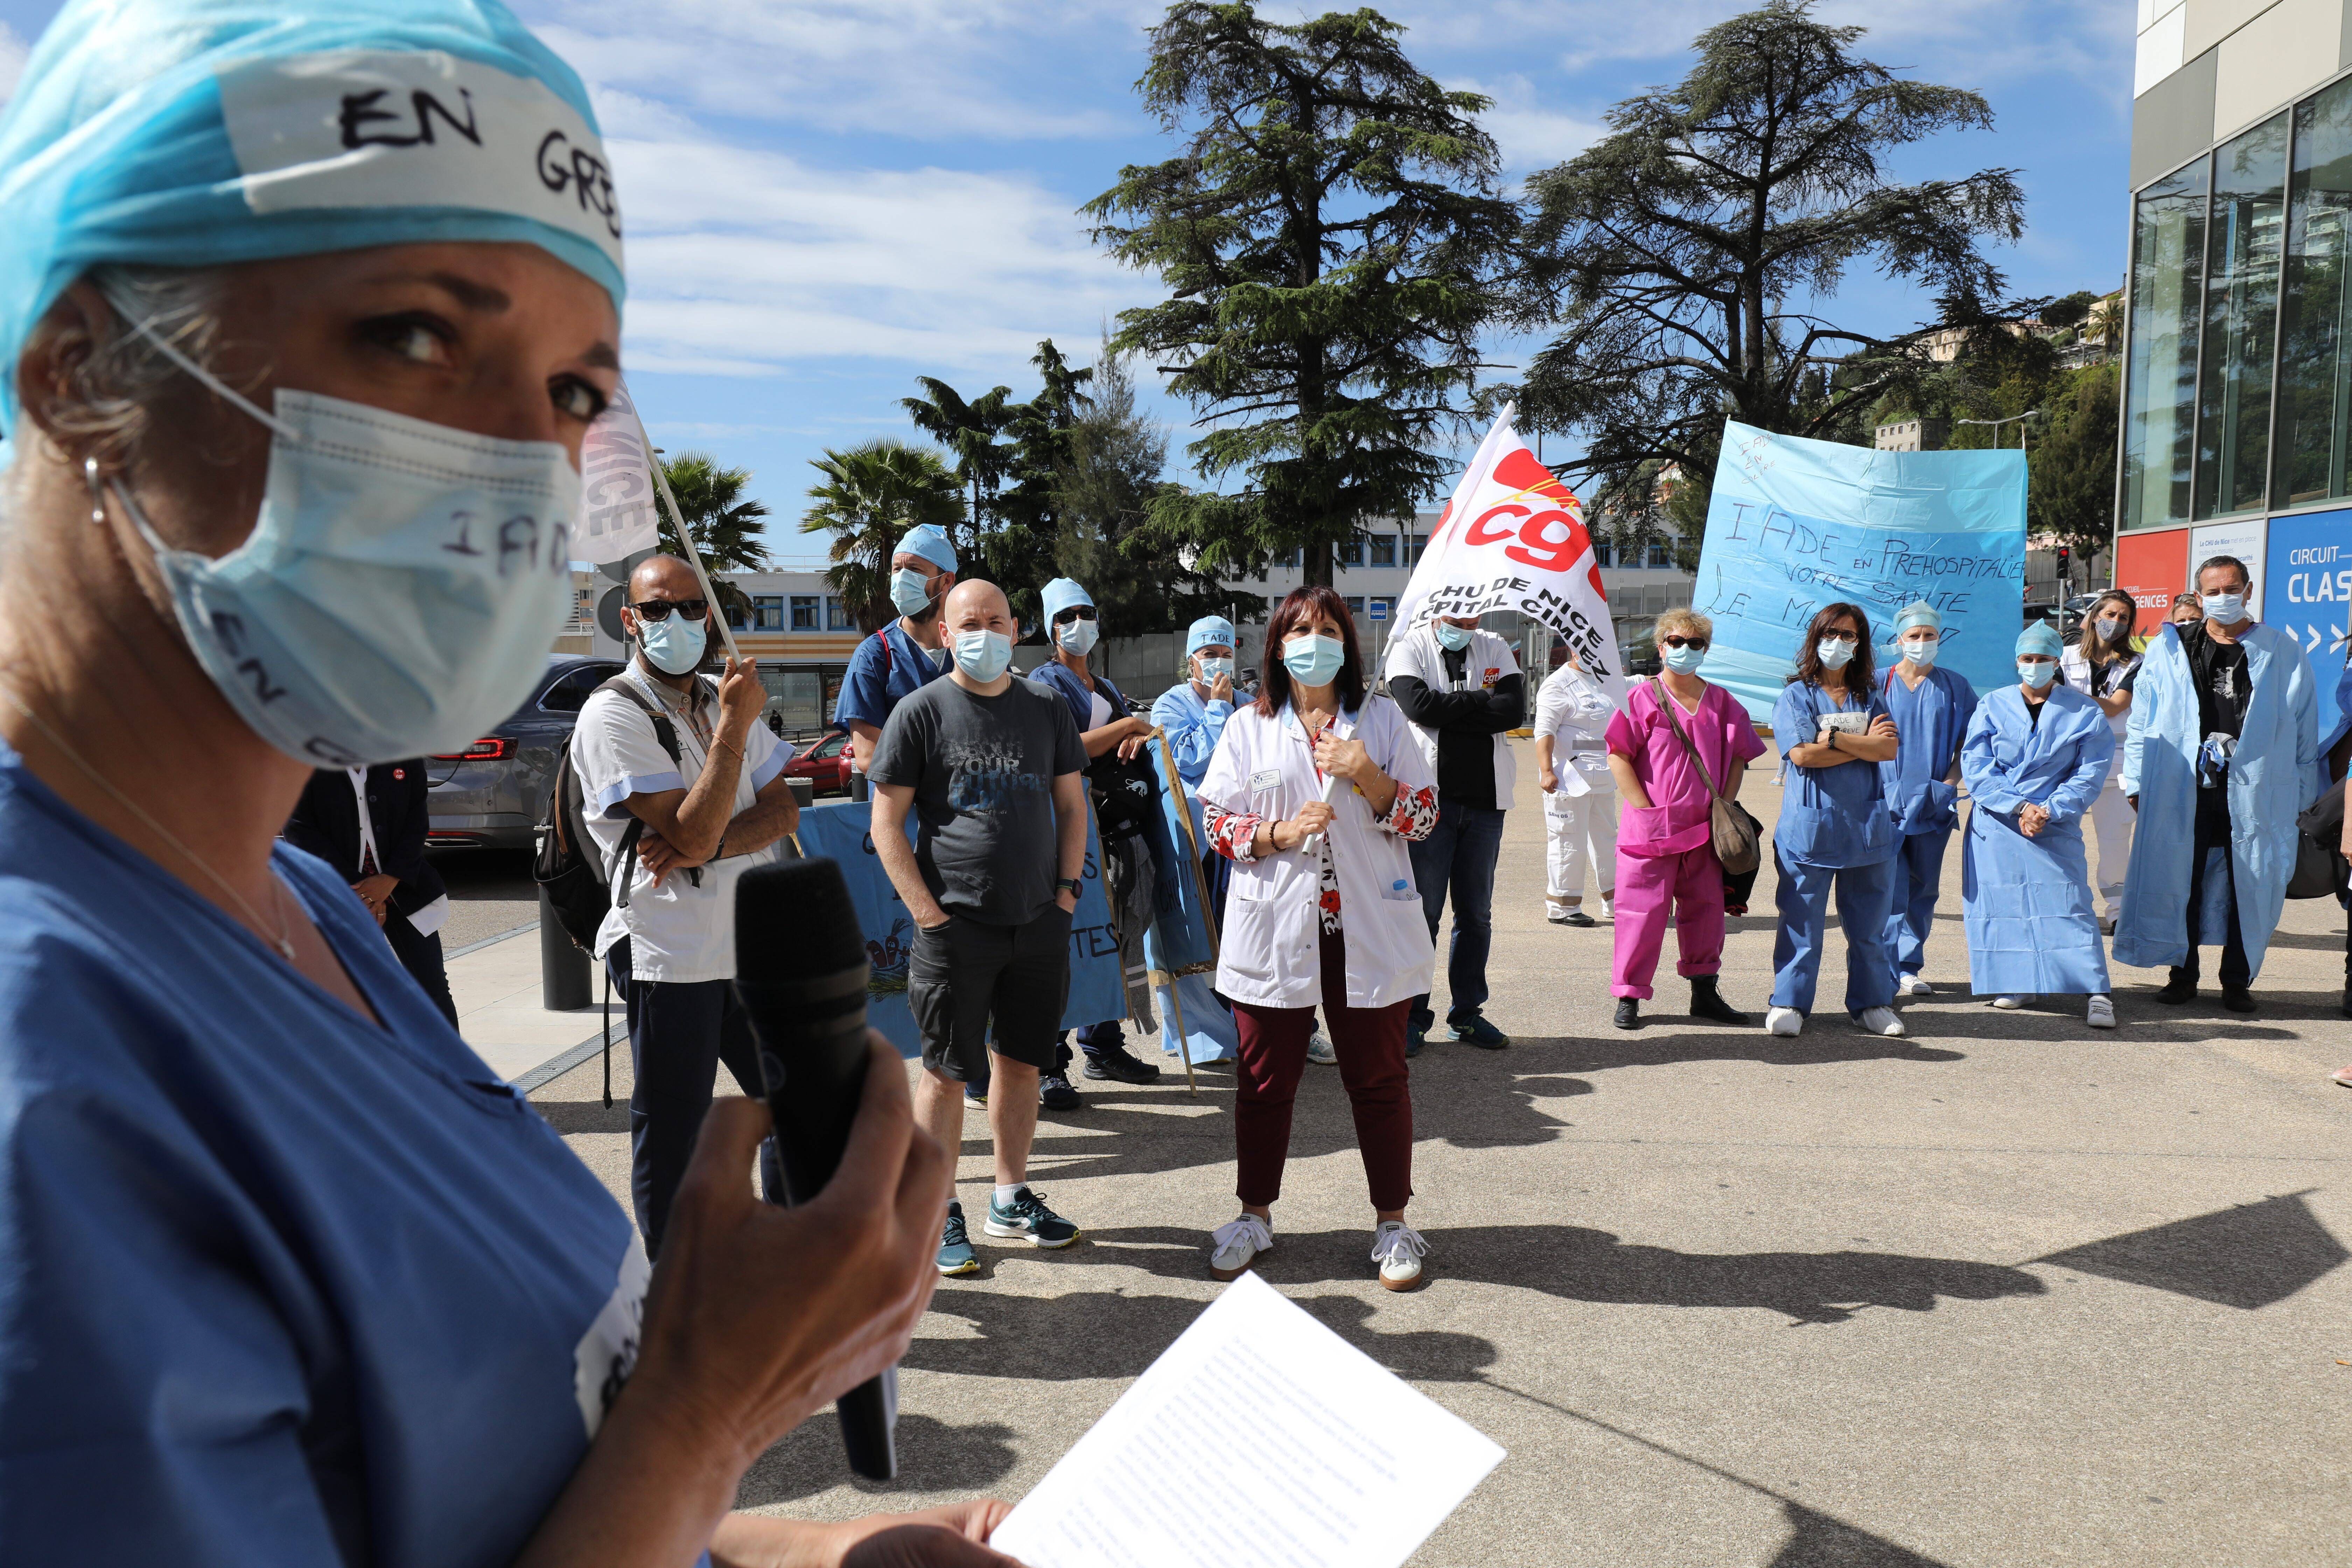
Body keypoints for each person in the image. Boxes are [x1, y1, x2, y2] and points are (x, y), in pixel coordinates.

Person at [0, 3, 1009, 1562]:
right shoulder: (38, 1076)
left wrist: (780, 1548)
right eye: (413, 335)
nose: (517, 461)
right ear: (76, 368)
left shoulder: (304, 910)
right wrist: (704, 1409)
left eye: (571, 392)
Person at [1195, 586, 1439, 1288]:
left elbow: (1423, 817)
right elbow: (1216, 823)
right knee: (1264, 1081)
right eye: (1299, 629)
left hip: (1366, 928)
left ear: (1348, 644)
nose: (1314, 640)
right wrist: (1278, 832)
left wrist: (1365, 773)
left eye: (1328, 628)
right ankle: (1254, 1215)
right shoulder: (1249, 727)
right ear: (1277, 645)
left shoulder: (1383, 719)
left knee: (1380, 1079)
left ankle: (1394, 1223)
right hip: (1276, 927)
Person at [573, 553, 802, 1256]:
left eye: (691, 606)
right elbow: (692, 831)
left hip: (750, 941)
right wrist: (733, 727)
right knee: (678, 1126)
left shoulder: (718, 692)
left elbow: (784, 810)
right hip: (670, 949)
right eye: (659, 609)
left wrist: (711, 843)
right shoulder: (614, 712)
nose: (678, 621)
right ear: (630, 619)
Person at [871, 579, 1091, 1277]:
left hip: (1037, 924)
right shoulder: (918, 712)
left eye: (997, 619)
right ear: (942, 631)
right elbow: (886, 824)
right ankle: (936, 1208)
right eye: (969, 621)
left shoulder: (1046, 708)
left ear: (1018, 626)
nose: (984, 631)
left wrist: (1064, 895)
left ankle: (1009, 1196)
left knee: (1024, 1062)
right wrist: (928, 916)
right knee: (942, 1074)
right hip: (954, 930)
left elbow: (1072, 808)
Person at [2115, 556, 2322, 1012]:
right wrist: (2134, 778)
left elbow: (2305, 727)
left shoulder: (2281, 651)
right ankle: (2182, 974)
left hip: (2256, 789)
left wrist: (2305, 795)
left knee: (2248, 884)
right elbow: (2143, 719)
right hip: (2185, 786)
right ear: (2199, 594)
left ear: (2249, 591)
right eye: (2213, 591)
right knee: (2179, 881)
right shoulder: (2172, 649)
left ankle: (2236, 981)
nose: (2223, 598)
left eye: (2232, 589)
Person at [1028, 575, 1163, 1094]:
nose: (1078, 624)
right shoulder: (1045, 683)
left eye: (1086, 612)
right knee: (1070, 945)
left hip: (1118, 828)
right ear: (1050, 627)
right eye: (1066, 616)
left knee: (1113, 941)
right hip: (1073, 833)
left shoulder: (1103, 686)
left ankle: (1103, 1047)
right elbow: (1067, 748)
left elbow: (1137, 732)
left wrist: (1136, 733)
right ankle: (1049, 1061)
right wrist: (1128, 729)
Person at [1604, 610, 1762, 1030]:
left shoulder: (1723, 702)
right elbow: (1618, 755)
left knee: (1707, 912)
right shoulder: (1640, 699)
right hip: (1650, 833)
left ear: (1706, 650)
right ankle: (1630, 995)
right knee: (1641, 914)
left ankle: (1704, 993)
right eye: (1677, 642)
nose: (1685, 650)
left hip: (1703, 832)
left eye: (1695, 644)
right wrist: (1644, 809)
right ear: (1661, 647)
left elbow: (1740, 757)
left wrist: (1724, 807)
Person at [1960, 624, 2119, 1028]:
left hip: (2055, 821)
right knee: (2003, 904)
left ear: (2056, 662)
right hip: (1999, 822)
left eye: (2043, 659)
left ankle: (2096, 991)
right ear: (2017, 662)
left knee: (2070, 904)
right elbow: (1977, 766)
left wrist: (2049, 808)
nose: (2034, 666)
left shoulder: (2084, 711)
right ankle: (2017, 981)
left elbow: (2090, 771)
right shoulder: (1993, 704)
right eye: (2028, 659)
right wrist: (2017, 806)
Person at [1385, 609, 1525, 1052]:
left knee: (1476, 916)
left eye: (1471, 621)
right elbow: (1417, 706)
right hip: (1431, 805)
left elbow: (1513, 710)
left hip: (1485, 806)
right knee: (1422, 915)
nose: (1464, 627)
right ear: (1436, 609)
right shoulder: (1409, 647)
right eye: (1455, 619)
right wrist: (1482, 700)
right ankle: (1410, 1016)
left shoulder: (1496, 647)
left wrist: (1451, 709)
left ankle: (1466, 1013)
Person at [1769, 602, 1907, 1038]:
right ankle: (1789, 1001)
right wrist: (1862, 742)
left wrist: (1837, 739)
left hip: (1867, 828)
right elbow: (1802, 755)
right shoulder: (1796, 696)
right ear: (1816, 638)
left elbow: (1888, 751)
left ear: (1860, 644)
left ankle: (1872, 1003)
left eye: (1849, 635)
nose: (1839, 643)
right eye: (1832, 633)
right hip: (1810, 830)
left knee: (1870, 928)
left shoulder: (1870, 696)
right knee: (1802, 924)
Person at [282, 758, 458, 1027]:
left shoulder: (403, 755)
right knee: (346, 992)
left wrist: (390, 878)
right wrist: (360, 889)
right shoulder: (306, 760)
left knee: (431, 985)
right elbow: (299, 828)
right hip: (338, 894)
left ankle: (454, 1068)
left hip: (405, 888)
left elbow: (417, 821)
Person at [1147, 613, 1246, 1067]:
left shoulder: (1250, 703)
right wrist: (1218, 710)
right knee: (1189, 936)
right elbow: (1184, 760)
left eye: (1226, 653)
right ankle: (1199, 1036)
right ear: (1192, 663)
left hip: (1239, 838)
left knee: (1237, 936)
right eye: (1209, 655)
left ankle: (1249, 1027)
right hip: (1189, 840)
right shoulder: (1169, 705)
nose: (1219, 662)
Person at [1876, 602, 1976, 996]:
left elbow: (1970, 746)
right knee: (1886, 887)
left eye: (1928, 635)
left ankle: (1907, 965)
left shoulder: (1955, 687)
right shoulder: (1876, 683)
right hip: (1882, 804)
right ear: (1899, 640)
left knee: (1923, 887)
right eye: (1913, 636)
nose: (1921, 642)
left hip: (1933, 804)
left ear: (1939, 638)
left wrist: (1947, 786)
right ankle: (1881, 966)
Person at [834, 521, 956, 775]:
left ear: (946, 581)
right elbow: (869, 756)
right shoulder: (875, 655)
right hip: (902, 812)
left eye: (914, 569)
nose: (902, 578)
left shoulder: (967, 648)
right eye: (897, 569)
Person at [2059, 588, 2144, 932]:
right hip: (2065, 764)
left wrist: (2063, 696)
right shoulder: (2063, 657)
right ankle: (2066, 906)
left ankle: (2118, 910)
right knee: (2061, 836)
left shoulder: (2135, 663)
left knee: (2114, 841)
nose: (2116, 622)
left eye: (2124, 618)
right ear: (2094, 616)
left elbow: (2116, 705)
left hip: (2115, 764)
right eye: (2110, 614)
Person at [1533, 645, 1617, 927]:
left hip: (1604, 775)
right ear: (1573, 650)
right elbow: (1544, 730)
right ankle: (1563, 907)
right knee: (1569, 841)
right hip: (1569, 778)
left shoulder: (1605, 680)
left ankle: (1617, 901)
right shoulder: (1557, 685)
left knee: (1608, 840)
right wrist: (1546, 771)